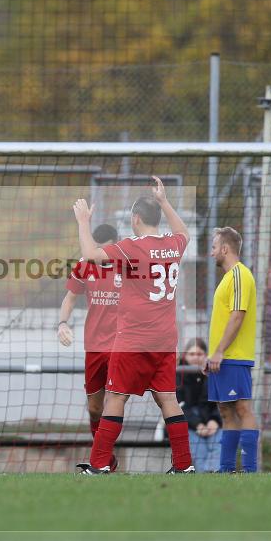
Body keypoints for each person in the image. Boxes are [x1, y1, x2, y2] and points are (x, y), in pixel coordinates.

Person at [73, 177, 194, 475]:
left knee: (115, 397)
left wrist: (83, 221)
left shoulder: (130, 248)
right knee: (168, 399)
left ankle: (100, 463)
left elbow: (90, 255)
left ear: (135, 218)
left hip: (134, 339)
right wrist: (165, 201)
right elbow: (184, 232)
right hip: (165, 339)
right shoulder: (173, 244)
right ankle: (184, 465)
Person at [57, 223, 120, 470]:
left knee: (116, 401)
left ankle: (100, 461)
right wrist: (62, 323)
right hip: (94, 346)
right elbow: (70, 297)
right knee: (95, 409)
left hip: (121, 346)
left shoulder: (129, 263)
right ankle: (106, 458)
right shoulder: (85, 263)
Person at [206, 226, 259, 473]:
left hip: (234, 357)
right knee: (226, 411)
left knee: (242, 408)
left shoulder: (240, 275)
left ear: (225, 249)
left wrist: (220, 351)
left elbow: (238, 316)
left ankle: (249, 470)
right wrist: (212, 354)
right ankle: (226, 469)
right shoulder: (228, 278)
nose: (211, 253)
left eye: (214, 247)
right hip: (222, 357)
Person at [177, 338, 222, 472]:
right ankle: (204, 475)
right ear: (185, 356)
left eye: (199, 354)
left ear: (205, 355)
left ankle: (214, 474)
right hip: (189, 424)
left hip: (210, 422)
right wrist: (197, 424)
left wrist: (215, 420)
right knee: (197, 446)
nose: (196, 357)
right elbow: (179, 406)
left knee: (219, 440)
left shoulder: (214, 374)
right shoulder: (178, 374)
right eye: (192, 354)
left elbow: (220, 402)